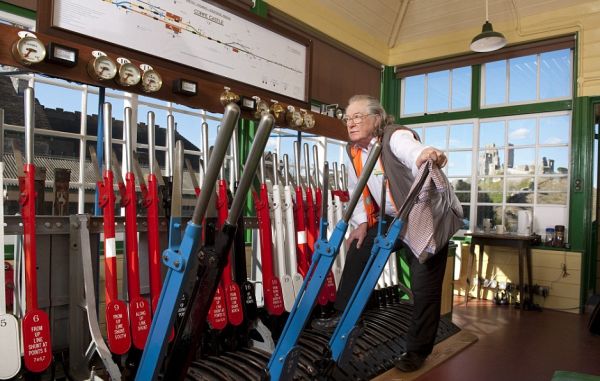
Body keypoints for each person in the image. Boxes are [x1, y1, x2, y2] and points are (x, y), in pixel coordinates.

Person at [313, 94, 449, 372]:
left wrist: (425, 154)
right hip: (392, 218)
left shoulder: (394, 136)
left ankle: (417, 352)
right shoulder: (354, 151)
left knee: (424, 289)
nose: (350, 123)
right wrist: (362, 222)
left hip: (424, 219)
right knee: (359, 247)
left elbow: (412, 151)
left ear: (376, 119)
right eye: (347, 118)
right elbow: (357, 188)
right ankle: (348, 316)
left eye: (357, 117)